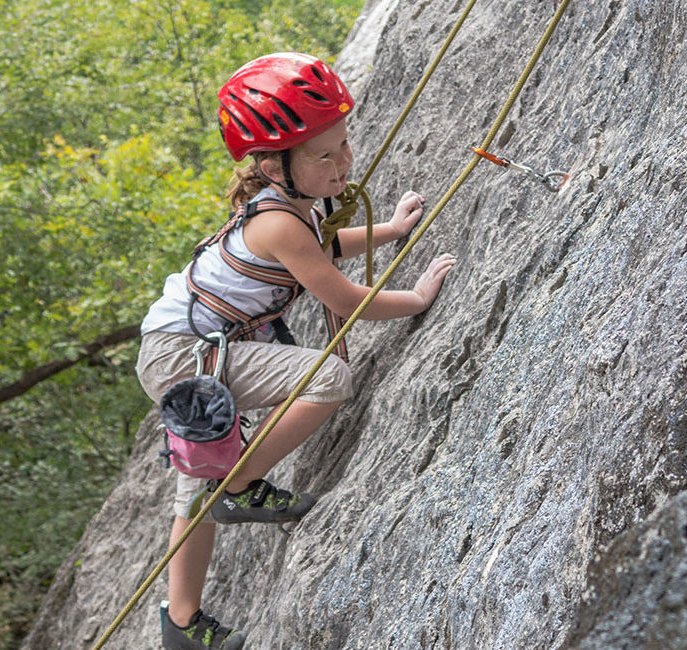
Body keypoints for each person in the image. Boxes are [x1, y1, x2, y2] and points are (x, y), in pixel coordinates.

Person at [135, 52, 457, 650]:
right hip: (185, 354)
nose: (342, 164)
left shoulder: (287, 210)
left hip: (181, 348)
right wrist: (414, 298)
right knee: (328, 378)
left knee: (195, 484)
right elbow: (343, 293)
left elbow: (320, 248)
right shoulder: (280, 221)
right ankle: (242, 484)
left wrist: (389, 230)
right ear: (273, 164)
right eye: (323, 155)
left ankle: (179, 623)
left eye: (344, 145)